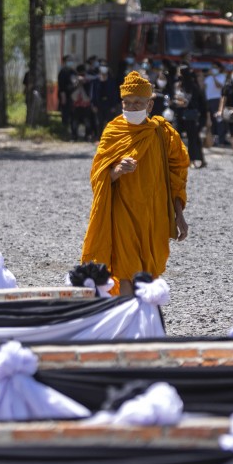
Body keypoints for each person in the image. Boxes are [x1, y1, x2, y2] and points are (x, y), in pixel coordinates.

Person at [81, 71, 189, 296]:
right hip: (123, 214)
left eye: (137, 103)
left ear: (150, 105)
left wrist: (179, 214)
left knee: (148, 275)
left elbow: (176, 177)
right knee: (126, 270)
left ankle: (143, 321)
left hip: (154, 216)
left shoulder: (162, 133)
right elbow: (98, 176)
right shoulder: (113, 131)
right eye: (126, 103)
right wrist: (117, 170)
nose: (130, 108)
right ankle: (129, 322)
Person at [90, 64, 120, 140]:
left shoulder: (112, 81)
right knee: (99, 122)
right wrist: (93, 105)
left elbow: (115, 94)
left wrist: (114, 106)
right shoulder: (95, 82)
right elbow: (92, 94)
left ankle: (110, 137)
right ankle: (99, 137)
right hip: (98, 104)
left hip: (109, 105)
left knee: (110, 122)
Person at [204, 61, 227, 146]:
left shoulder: (222, 77)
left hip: (217, 100)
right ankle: (212, 140)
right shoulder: (207, 78)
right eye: (212, 67)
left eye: (215, 67)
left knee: (219, 120)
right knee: (211, 121)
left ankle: (221, 140)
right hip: (208, 100)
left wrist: (213, 76)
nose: (214, 69)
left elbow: (219, 86)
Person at [58, 56, 76, 139]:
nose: (71, 62)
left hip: (74, 96)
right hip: (66, 96)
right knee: (65, 114)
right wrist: (63, 96)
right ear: (64, 62)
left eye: (71, 60)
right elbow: (61, 86)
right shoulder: (63, 72)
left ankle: (73, 133)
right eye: (69, 60)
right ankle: (64, 133)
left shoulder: (73, 71)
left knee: (73, 115)